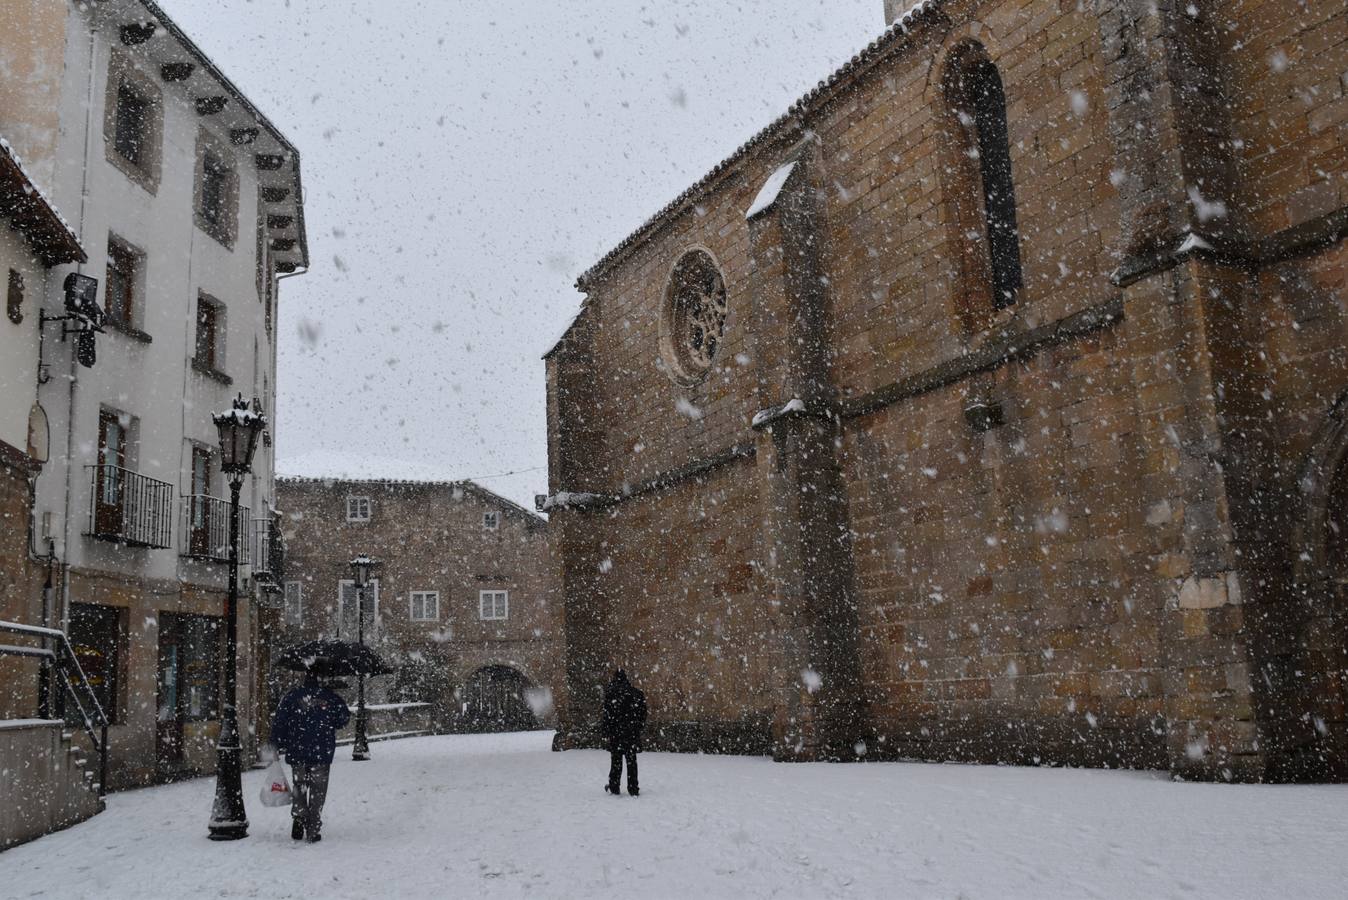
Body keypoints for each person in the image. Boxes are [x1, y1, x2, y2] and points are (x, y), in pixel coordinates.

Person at [271, 672, 351, 842]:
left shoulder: (292, 697)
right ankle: (313, 827)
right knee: (318, 790)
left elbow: (280, 722)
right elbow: (343, 719)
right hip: (321, 752)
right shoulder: (330, 697)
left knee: (299, 785)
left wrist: (277, 743)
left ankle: (299, 816)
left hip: (298, 750)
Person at [600, 669, 647, 796]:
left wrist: (606, 731)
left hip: (616, 733)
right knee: (631, 761)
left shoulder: (611, 694)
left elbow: (607, 715)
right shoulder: (637, 694)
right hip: (631, 733)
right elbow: (643, 714)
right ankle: (633, 788)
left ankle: (614, 786)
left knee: (616, 761)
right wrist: (637, 727)